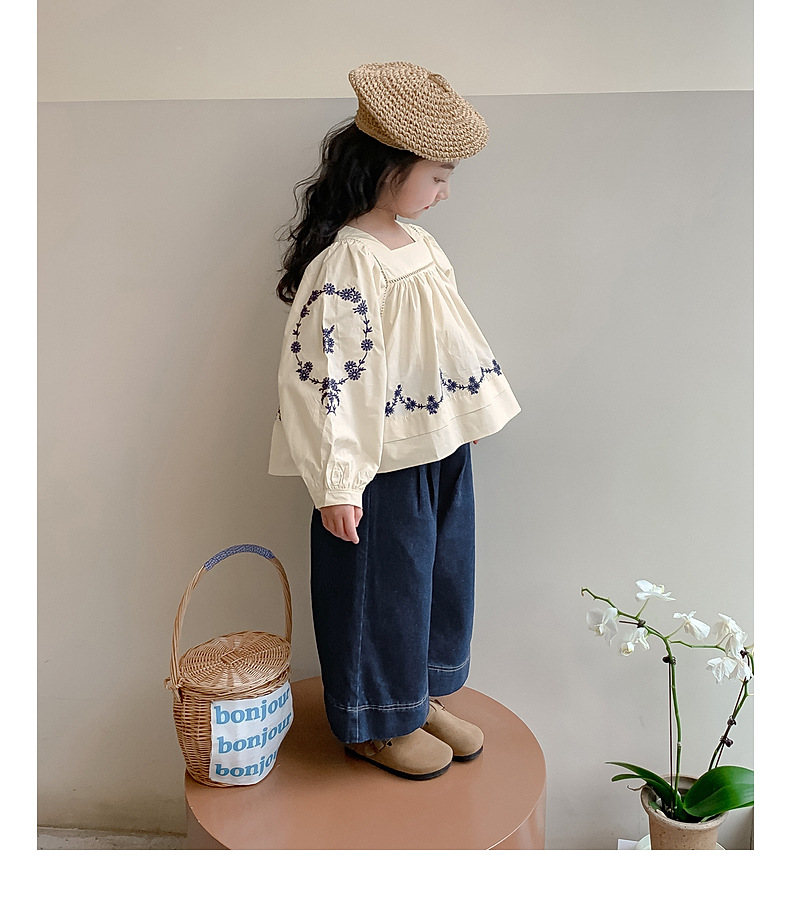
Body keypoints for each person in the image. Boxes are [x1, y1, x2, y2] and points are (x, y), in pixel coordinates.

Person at [269, 62, 520, 780]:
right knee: (379, 587)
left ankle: (415, 696)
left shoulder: (418, 246)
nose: (445, 191)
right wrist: (338, 481)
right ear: (389, 168)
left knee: (436, 578)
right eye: (437, 176)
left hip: (435, 445)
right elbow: (330, 379)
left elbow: (449, 336)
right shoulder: (348, 264)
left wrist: (469, 409)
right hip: (379, 460)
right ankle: (375, 721)